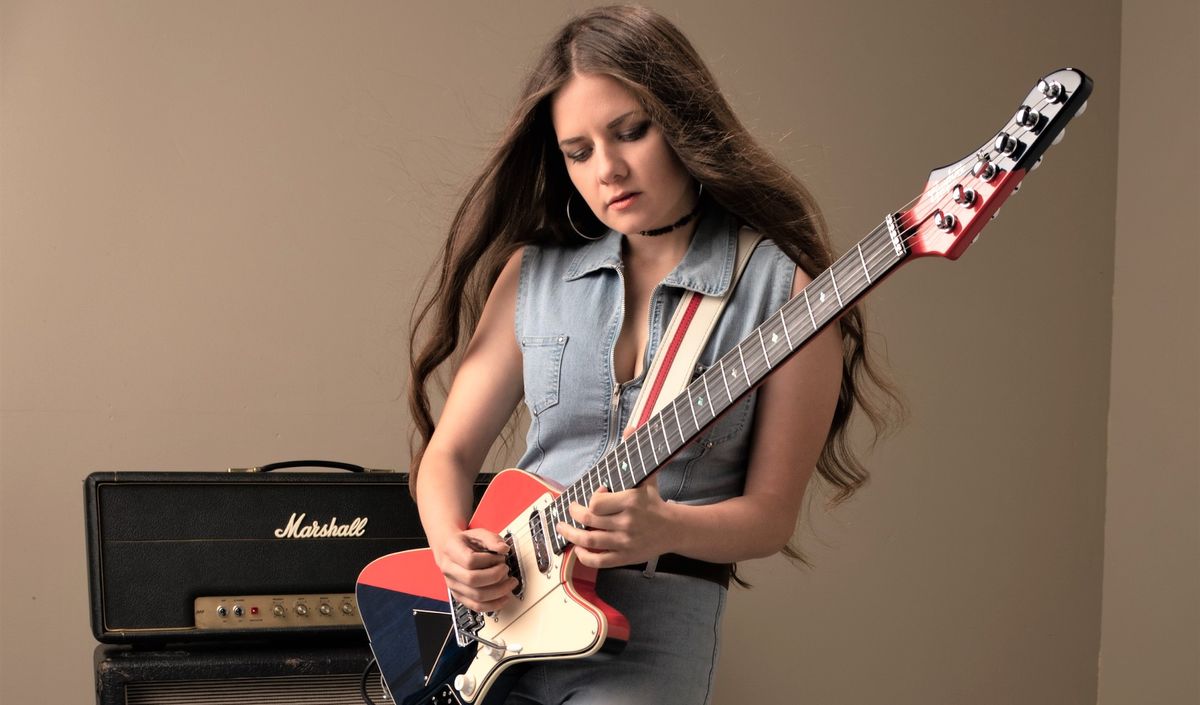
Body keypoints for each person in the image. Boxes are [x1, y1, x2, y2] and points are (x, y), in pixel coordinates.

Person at [405, 5, 896, 704]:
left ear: (682, 121)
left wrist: (666, 525)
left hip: (650, 634)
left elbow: (769, 516)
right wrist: (452, 547)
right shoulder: (532, 277)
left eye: (631, 131)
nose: (608, 169)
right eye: (578, 151)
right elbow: (448, 456)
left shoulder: (789, 295)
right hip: (497, 621)